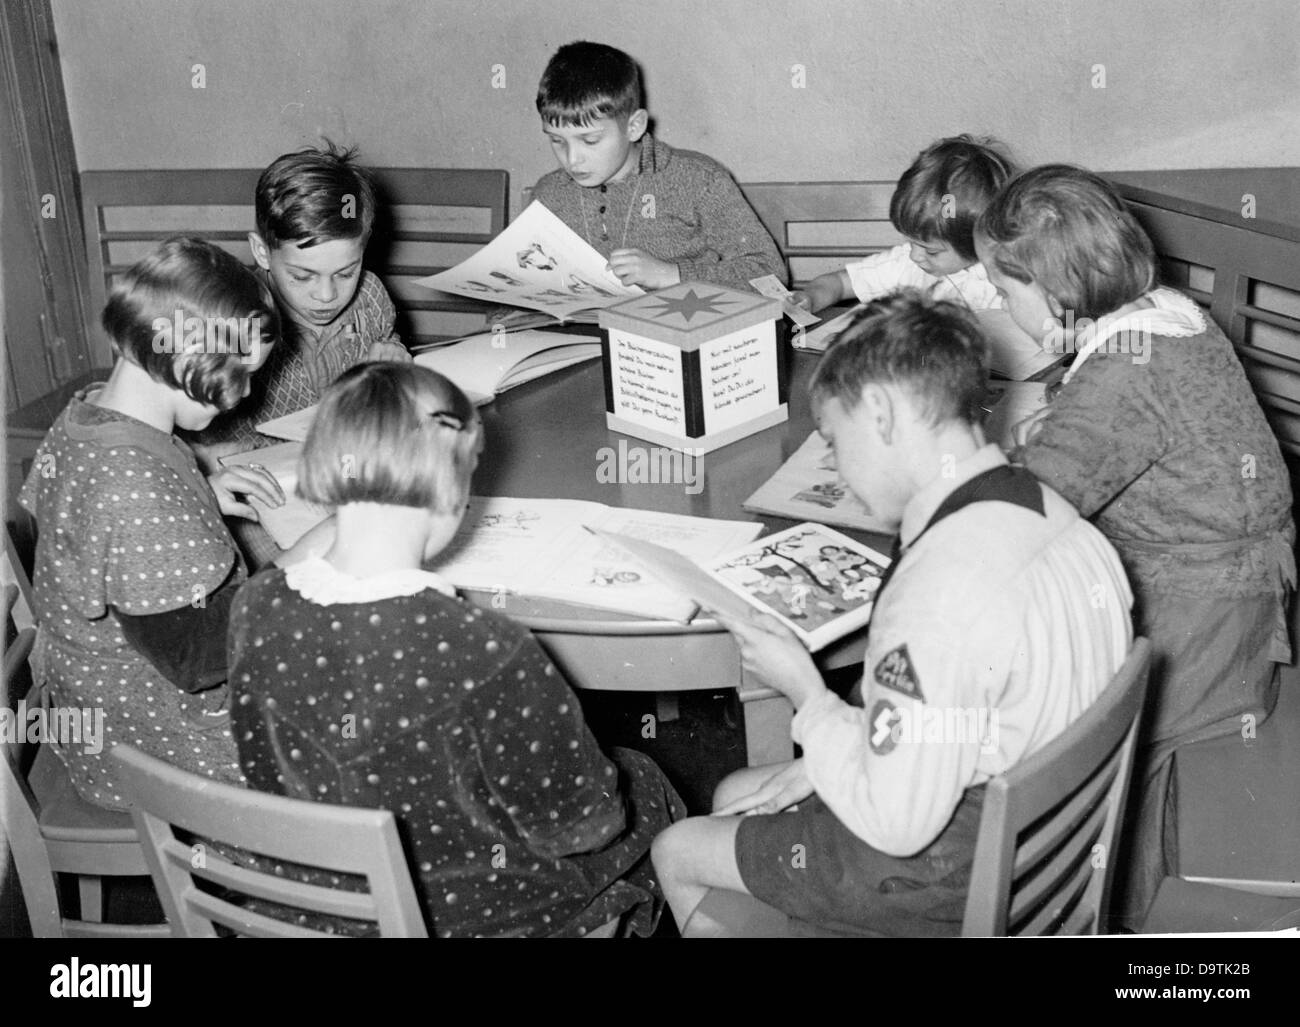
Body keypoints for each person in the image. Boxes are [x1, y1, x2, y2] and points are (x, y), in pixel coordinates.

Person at [651, 292, 1133, 936]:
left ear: (878, 411)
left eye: (833, 439)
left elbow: (897, 824)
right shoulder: (1058, 513)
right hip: (1041, 834)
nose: (836, 468)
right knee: (739, 793)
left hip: (945, 872)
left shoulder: (933, 596)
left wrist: (808, 693)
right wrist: (829, 751)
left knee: (676, 850)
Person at [228, 362, 685, 937]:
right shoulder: (487, 647)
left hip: (306, 901)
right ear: (452, 491)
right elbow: (576, 828)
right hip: (468, 918)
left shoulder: (256, 601)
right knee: (644, 781)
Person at [975, 164, 1296, 929]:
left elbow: (1025, 518)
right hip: (1233, 589)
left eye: (1004, 287)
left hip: (1208, 615)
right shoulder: (1163, 316)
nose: (996, 301)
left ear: (1057, 295)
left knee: (1086, 740)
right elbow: (1113, 432)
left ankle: (1116, 917)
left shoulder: (1125, 371)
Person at [16, 237, 300, 809]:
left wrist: (200, 495)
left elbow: (98, 524)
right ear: (191, 357)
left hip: (99, 713)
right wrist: (299, 565)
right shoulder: (132, 486)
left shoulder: (89, 414)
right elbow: (194, 659)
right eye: (243, 372)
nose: (244, 394)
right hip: (151, 749)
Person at [192, 141, 412, 565]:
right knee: (299, 585)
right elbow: (193, 437)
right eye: (303, 275)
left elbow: (389, 355)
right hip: (261, 497)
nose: (327, 294)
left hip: (349, 471)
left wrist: (393, 362)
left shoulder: (370, 297)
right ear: (262, 252)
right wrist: (210, 465)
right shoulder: (233, 322)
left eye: (345, 271)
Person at [528, 40, 785, 294]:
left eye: (590, 140)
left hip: (683, 330)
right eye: (556, 140)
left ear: (634, 126)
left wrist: (673, 275)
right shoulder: (549, 192)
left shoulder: (698, 180)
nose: (572, 159)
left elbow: (769, 273)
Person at [792, 135, 1015, 314]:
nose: (915, 256)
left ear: (979, 244)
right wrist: (810, 298)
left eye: (931, 250)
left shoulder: (1008, 280)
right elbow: (839, 283)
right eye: (911, 243)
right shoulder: (905, 266)